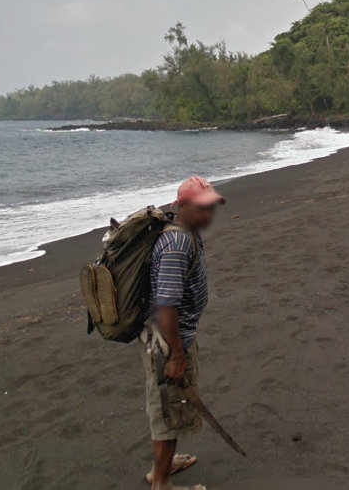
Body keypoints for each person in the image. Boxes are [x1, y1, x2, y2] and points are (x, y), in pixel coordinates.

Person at [142, 175, 224, 490]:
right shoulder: (177, 243)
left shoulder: (186, 233)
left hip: (172, 338)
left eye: (211, 208)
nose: (208, 215)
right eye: (202, 208)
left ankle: (164, 463)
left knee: (168, 408)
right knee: (169, 411)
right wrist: (176, 355)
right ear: (182, 206)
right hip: (168, 343)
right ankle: (160, 481)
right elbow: (166, 305)